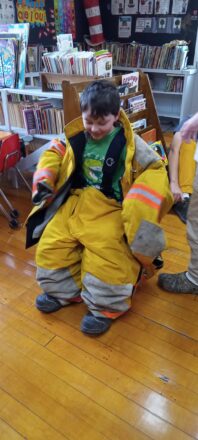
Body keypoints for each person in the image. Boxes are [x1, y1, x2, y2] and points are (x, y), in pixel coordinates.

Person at [27, 79, 173, 334]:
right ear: (82, 115)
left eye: (101, 123)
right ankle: (62, 291)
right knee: (51, 243)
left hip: (111, 208)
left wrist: (138, 203)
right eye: (89, 121)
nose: (94, 128)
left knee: (108, 256)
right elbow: (53, 152)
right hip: (76, 201)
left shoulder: (131, 143)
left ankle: (106, 306)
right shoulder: (74, 137)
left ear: (116, 116)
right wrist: (45, 180)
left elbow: (155, 168)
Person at [158, 112, 198, 294]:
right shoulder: (187, 126)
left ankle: (195, 279)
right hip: (185, 188)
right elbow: (174, 148)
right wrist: (174, 183)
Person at [168, 124, 196, 223]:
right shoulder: (190, 122)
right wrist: (174, 183)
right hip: (182, 168)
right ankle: (185, 197)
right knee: (188, 143)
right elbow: (174, 150)